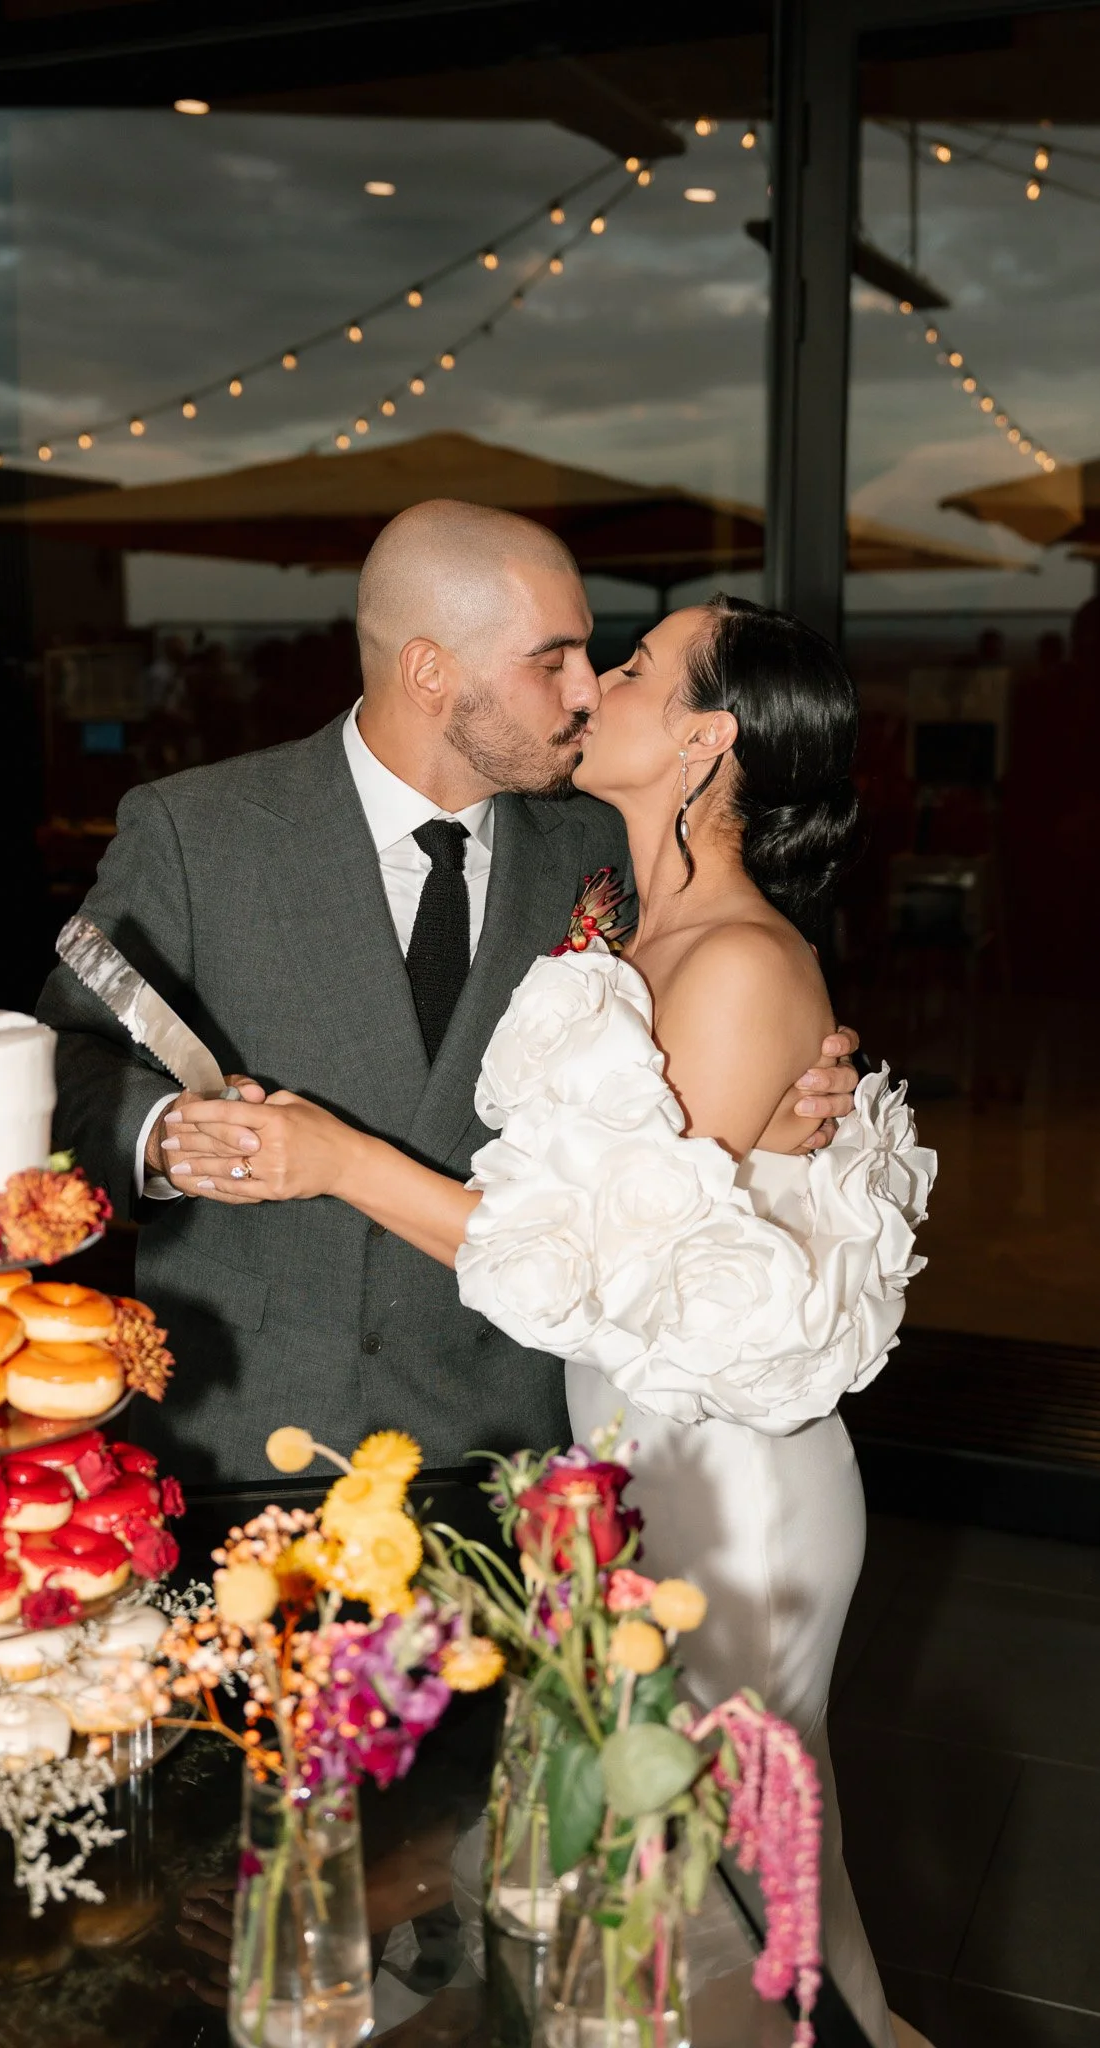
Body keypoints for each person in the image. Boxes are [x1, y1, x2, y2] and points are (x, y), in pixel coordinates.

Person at [174, 592, 937, 2048]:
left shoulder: (736, 966)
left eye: (635, 669)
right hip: (628, 1453)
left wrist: (345, 1164)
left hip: (729, 1485)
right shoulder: (631, 921)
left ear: (705, 740)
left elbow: (607, 1276)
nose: (594, 683)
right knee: (666, 1835)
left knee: (721, 1851)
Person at [37, 504, 860, 1485]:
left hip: (515, 1448)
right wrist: (162, 1133)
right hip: (253, 1426)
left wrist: (780, 1105)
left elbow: (718, 1028)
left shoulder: (612, 848)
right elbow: (55, 1066)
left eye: (597, 657)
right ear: (432, 673)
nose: (587, 690)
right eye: (550, 660)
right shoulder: (198, 830)